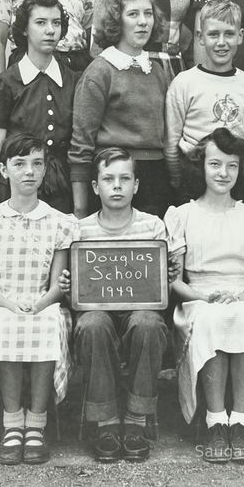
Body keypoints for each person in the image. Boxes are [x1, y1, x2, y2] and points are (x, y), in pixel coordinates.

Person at [165, 129, 244, 464]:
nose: (223, 173)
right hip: (198, 297)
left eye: (231, 165)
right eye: (215, 164)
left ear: (242, 170)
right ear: (202, 166)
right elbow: (174, 280)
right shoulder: (182, 215)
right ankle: (215, 421)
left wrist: (241, 298)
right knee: (214, 317)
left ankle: (240, 421)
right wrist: (203, 296)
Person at [0, 134, 77, 466]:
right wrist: (12, 306)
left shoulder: (60, 222)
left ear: (45, 170)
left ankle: (37, 423)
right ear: (3, 170)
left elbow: (58, 285)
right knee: (8, 323)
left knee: (46, 323)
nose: (28, 172)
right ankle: (12, 421)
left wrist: (41, 304)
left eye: (36, 163)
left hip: (44, 302)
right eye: (19, 164)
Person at [58, 148, 169, 463]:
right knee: (92, 324)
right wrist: (69, 287)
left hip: (141, 309)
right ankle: (105, 422)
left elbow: (161, 284)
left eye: (124, 179)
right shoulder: (80, 229)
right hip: (98, 310)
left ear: (136, 185)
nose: (117, 186)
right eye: (108, 179)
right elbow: (78, 288)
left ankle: (136, 420)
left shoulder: (153, 226)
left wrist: (166, 273)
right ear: (95, 187)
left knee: (148, 324)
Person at [70, 0, 174, 219]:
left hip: (154, 181)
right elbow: (81, 144)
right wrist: (80, 208)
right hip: (114, 176)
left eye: (148, 14)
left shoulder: (157, 70)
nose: (143, 22)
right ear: (118, 21)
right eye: (133, 14)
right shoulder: (100, 70)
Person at [0, 0, 80, 213]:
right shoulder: (5, 83)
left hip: (61, 189)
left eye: (56, 23)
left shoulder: (74, 81)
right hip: (16, 189)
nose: (50, 30)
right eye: (40, 22)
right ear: (25, 29)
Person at [165, 0, 244, 198]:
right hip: (194, 181)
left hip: (236, 181)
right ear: (200, 37)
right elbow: (172, 143)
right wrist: (177, 182)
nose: (221, 43)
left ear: (240, 36)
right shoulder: (184, 83)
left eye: (229, 34)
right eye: (213, 34)